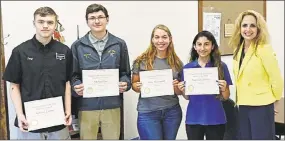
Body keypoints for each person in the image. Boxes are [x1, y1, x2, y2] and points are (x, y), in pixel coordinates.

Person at [2, 7, 72, 139]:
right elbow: (14, 86)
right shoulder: (20, 51)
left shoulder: (64, 51)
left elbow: (67, 83)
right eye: (41, 21)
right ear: (34, 23)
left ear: (55, 25)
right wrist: (20, 114)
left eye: (50, 22)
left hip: (58, 121)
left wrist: (68, 110)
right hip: (30, 123)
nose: (45, 26)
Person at [70, 3, 131, 140]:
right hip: (86, 106)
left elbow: (126, 73)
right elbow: (73, 75)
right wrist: (76, 86)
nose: (97, 21)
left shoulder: (119, 44)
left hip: (112, 104)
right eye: (92, 18)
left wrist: (125, 83)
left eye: (100, 17)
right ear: (87, 21)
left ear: (107, 19)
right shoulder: (77, 46)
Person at [228, 10, 284, 140]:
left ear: (259, 28)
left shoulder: (264, 49)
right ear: (239, 28)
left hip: (261, 106)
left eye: (252, 25)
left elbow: (276, 79)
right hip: (242, 104)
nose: (248, 29)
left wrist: (273, 102)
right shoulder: (238, 49)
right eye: (244, 25)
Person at [177, 30, 232, 140]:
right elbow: (187, 97)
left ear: (212, 46)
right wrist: (182, 90)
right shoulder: (187, 68)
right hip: (194, 118)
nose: (202, 48)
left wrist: (224, 87)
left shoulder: (221, 66)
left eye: (206, 44)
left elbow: (226, 97)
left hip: (216, 118)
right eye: (199, 44)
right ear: (195, 47)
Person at [132, 24, 183, 140]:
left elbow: (180, 92)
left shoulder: (177, 63)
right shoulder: (141, 61)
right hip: (148, 113)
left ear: (170, 39)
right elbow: (134, 84)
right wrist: (138, 86)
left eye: (164, 37)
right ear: (152, 39)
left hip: (172, 112)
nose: (161, 41)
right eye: (157, 37)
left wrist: (176, 87)